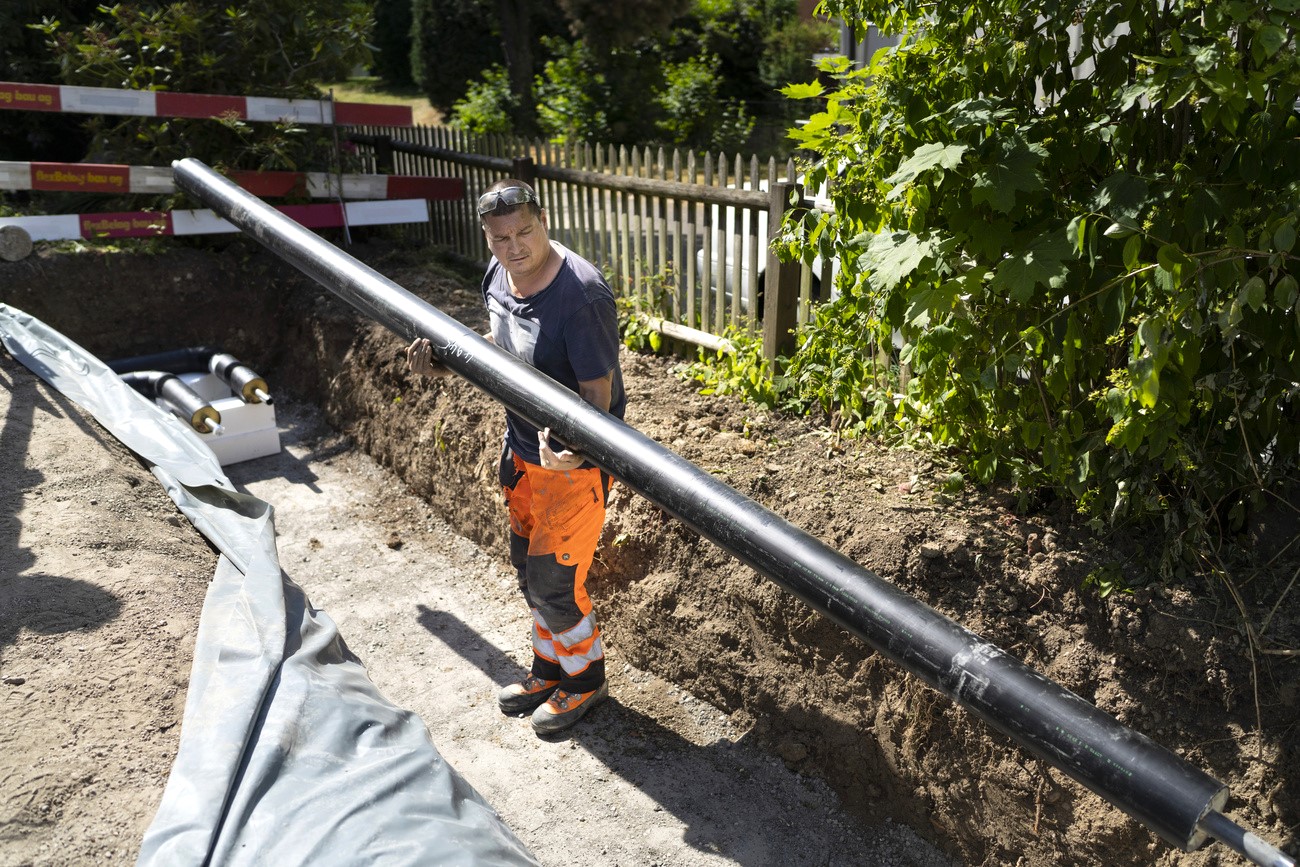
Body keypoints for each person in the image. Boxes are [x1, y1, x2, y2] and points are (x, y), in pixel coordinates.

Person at [406, 178, 626, 735]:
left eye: (524, 231)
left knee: (555, 585)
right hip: (522, 454)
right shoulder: (498, 276)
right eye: (500, 237)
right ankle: (549, 670)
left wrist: (578, 455)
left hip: (570, 469)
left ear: (544, 220)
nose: (514, 247)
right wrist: (443, 365)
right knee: (529, 573)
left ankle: (585, 681)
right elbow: (497, 353)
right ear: (487, 237)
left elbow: (598, 398)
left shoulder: (581, 296)